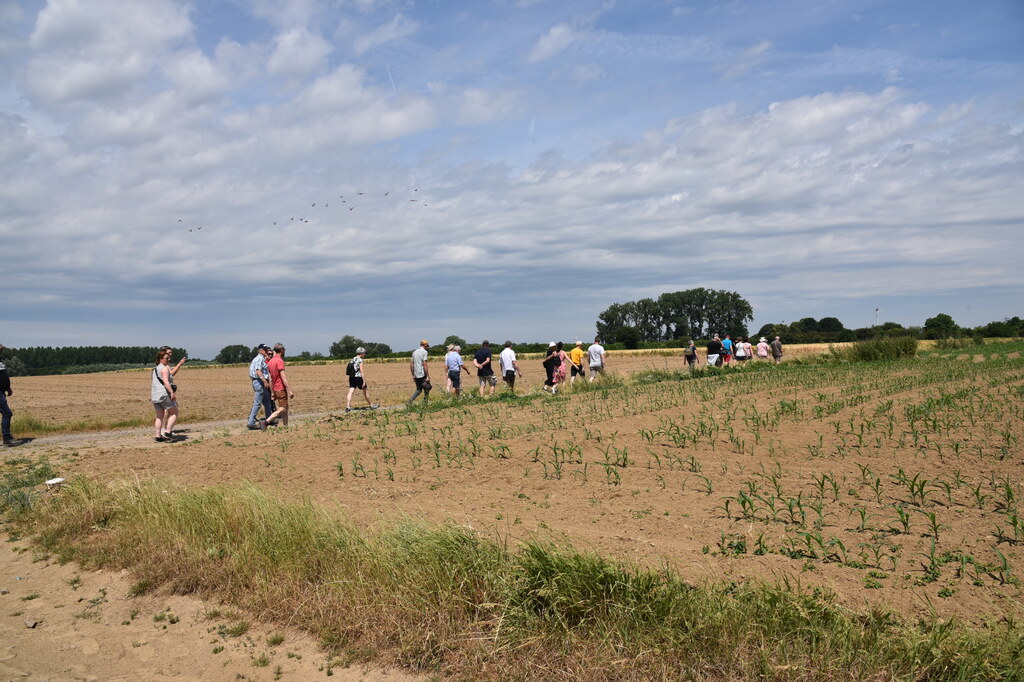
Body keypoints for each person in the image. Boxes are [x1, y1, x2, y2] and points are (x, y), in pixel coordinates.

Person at [152, 346, 186, 442]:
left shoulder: (155, 369)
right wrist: (171, 392)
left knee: (159, 416)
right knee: (174, 412)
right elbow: (166, 382)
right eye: (167, 358)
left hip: (155, 395)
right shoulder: (165, 368)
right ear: (161, 358)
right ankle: (168, 432)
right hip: (164, 394)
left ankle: (158, 436)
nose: (168, 359)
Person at [264, 343, 295, 427]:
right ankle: (266, 422)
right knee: (283, 408)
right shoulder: (280, 361)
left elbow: (270, 379)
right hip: (281, 388)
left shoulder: (270, 362)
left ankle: (286, 426)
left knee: (285, 408)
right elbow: (283, 377)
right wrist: (289, 390)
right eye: (284, 350)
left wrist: (272, 392)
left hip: (275, 388)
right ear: (282, 350)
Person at [0, 344, 24, 447]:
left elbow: (2, 375)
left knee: (6, 413)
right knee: (7, 413)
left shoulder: (0, 361)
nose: (2, 349)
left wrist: (7, 387)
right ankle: (7, 438)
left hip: (2, 391)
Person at [247, 344, 273, 430]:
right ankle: (251, 422)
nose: (266, 351)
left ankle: (269, 419)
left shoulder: (258, 359)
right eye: (264, 349)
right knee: (257, 403)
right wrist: (265, 381)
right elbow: (258, 371)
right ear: (259, 350)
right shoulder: (259, 359)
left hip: (258, 382)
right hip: (259, 382)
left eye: (266, 349)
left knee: (267, 402)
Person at [346, 347, 379, 412]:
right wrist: (364, 381)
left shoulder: (352, 359)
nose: (364, 354)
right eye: (364, 353)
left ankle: (348, 407)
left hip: (351, 377)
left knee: (350, 391)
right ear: (361, 353)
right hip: (358, 378)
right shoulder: (360, 360)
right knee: (365, 391)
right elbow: (362, 371)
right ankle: (371, 405)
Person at [408, 339, 432, 404]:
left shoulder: (414, 352)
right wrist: (427, 376)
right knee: (427, 387)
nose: (427, 347)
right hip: (422, 373)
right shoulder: (424, 352)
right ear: (425, 345)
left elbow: (411, 365)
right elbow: (425, 364)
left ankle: (409, 401)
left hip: (416, 374)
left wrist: (413, 375)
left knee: (418, 389)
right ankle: (425, 403)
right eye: (427, 346)